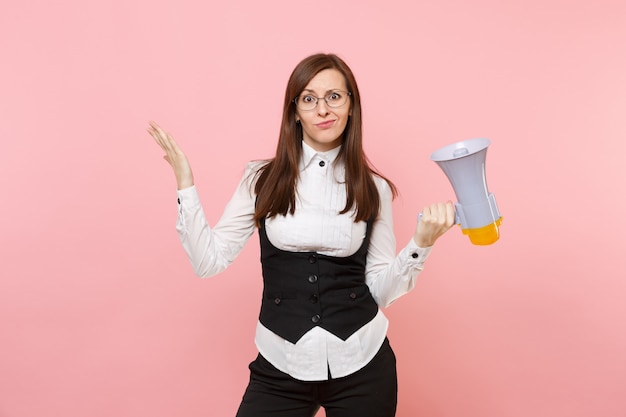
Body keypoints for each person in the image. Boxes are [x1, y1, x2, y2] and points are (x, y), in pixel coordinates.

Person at [148, 53, 455, 417]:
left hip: (363, 363)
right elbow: (208, 262)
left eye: (335, 97)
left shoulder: (374, 189)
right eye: (309, 99)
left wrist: (421, 243)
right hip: (281, 364)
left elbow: (382, 290)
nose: (323, 109)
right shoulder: (260, 179)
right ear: (294, 111)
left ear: (352, 106)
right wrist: (185, 183)